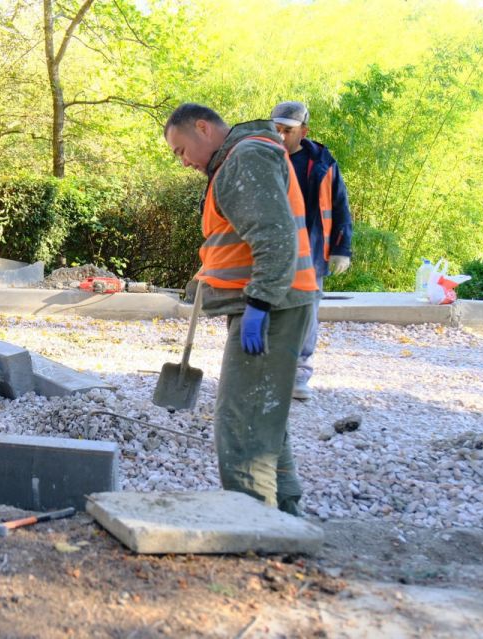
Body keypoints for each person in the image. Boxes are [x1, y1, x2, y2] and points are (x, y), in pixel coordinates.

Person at [163, 103, 317, 515]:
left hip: (274, 307)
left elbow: (274, 236)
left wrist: (261, 303)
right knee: (263, 416)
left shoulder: (243, 159)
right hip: (277, 302)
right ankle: (284, 514)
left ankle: (255, 527)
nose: (183, 162)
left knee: (242, 424)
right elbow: (243, 238)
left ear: (202, 128)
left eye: (181, 151)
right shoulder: (241, 158)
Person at [270, 101, 353, 400]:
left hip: (312, 253)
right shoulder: (263, 159)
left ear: (304, 131)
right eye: (275, 129)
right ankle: (266, 373)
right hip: (269, 254)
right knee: (266, 312)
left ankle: (298, 376)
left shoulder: (323, 164)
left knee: (305, 316)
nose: (280, 136)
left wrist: (342, 248)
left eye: (287, 130)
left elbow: (340, 206)